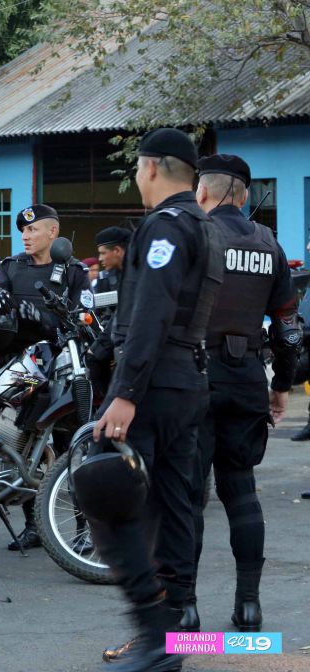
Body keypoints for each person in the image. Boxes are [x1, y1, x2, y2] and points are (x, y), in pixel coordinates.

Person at [88, 128, 222, 671]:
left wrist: (124, 394)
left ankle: (154, 631)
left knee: (105, 492)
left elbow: (152, 314)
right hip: (188, 380)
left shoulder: (165, 226)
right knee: (173, 503)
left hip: (153, 384)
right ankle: (177, 629)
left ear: (149, 168)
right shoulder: (205, 225)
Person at [183, 154, 299, 634]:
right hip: (247, 378)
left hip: (192, 379)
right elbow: (289, 330)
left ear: (202, 192)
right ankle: (249, 607)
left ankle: (185, 610)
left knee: (187, 496)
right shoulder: (269, 244)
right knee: (241, 491)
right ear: (245, 195)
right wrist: (281, 385)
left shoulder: (191, 237)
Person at [0, 203, 92, 551]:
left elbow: (84, 320)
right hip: (21, 373)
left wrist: (48, 322)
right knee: (22, 449)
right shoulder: (11, 267)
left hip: (62, 371)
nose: (25, 236)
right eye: (23, 230)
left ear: (53, 233)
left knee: (71, 448)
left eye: (33, 229)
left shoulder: (74, 272)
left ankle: (85, 528)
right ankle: (33, 526)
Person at [86, 226, 132, 402]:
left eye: (103, 253)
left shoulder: (137, 274)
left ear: (118, 251)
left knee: (94, 358)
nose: (100, 259)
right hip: (115, 328)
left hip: (130, 339)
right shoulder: (113, 275)